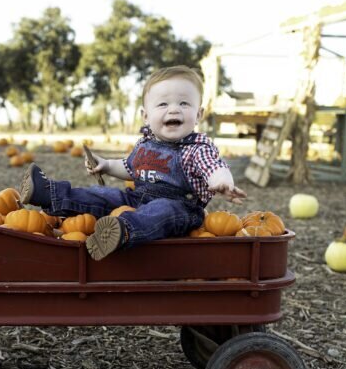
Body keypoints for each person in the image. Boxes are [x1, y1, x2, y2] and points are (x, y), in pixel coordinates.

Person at [20, 65, 247, 261]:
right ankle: (50, 193)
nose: (174, 109)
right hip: (136, 199)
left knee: (161, 210)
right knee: (103, 195)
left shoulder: (196, 148)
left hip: (179, 208)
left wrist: (222, 181)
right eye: (163, 104)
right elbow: (130, 169)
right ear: (146, 115)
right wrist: (107, 165)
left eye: (184, 103)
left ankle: (122, 232)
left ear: (198, 115)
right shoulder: (146, 144)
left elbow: (214, 166)